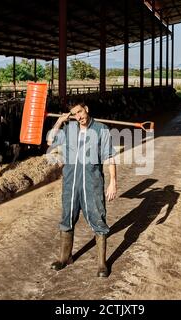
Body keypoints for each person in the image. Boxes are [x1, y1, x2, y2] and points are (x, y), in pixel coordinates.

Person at [47, 98, 117, 277]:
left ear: (86, 108)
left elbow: (109, 156)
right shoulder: (69, 129)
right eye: (74, 114)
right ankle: (65, 257)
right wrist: (59, 121)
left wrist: (112, 182)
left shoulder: (101, 129)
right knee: (67, 217)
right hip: (70, 182)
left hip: (92, 183)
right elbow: (50, 141)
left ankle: (102, 264)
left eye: (80, 112)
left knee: (98, 219)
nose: (78, 117)